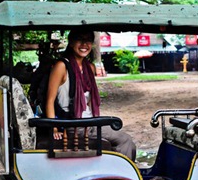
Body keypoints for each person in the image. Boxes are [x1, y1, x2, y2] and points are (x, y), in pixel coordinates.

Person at [46, 29, 136, 160]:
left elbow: (88, 101)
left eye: (88, 40)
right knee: (125, 140)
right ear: (71, 43)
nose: (84, 44)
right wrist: (53, 129)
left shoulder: (90, 67)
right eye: (80, 40)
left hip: (90, 122)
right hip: (73, 125)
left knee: (125, 141)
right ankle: (120, 177)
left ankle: (115, 173)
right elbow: (50, 100)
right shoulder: (62, 66)